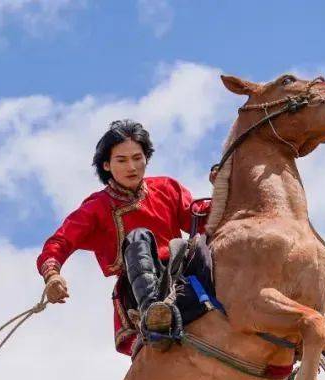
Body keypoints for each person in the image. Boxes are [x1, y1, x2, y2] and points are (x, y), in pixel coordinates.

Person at [36, 119, 210, 355]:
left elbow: (200, 220)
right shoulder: (96, 207)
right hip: (141, 287)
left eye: (138, 158)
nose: (132, 167)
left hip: (183, 273)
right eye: (122, 160)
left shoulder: (167, 188)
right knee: (138, 237)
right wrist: (52, 275)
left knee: (204, 245)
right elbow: (60, 241)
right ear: (106, 165)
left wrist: (224, 188)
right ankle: (153, 314)